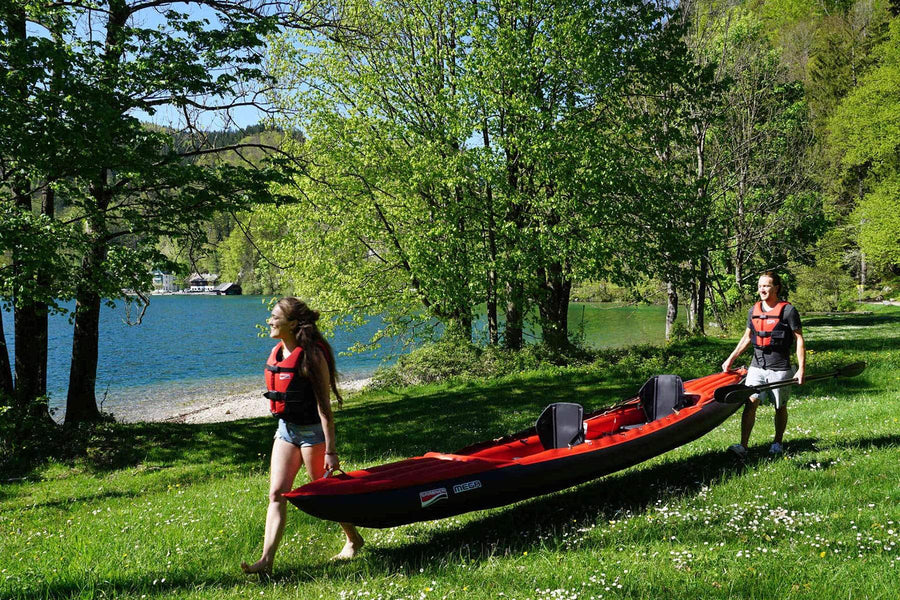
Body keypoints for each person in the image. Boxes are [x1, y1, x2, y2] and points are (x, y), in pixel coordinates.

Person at [242, 297, 364, 575]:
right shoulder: (278, 352)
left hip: (313, 433)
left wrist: (331, 449)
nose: (270, 321)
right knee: (276, 493)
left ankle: (353, 538)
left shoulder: (312, 356)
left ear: (293, 324)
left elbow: (324, 406)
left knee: (323, 494)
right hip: (286, 430)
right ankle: (266, 561)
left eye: (275, 317)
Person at [721, 271, 805, 457]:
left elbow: (799, 339)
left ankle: (777, 443)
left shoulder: (788, 311)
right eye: (760, 286)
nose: (762, 289)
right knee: (750, 403)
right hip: (756, 365)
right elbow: (747, 337)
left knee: (779, 406)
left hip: (780, 367)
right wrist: (731, 359)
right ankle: (743, 445)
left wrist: (801, 369)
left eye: (766, 285)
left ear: (776, 287)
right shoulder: (754, 310)